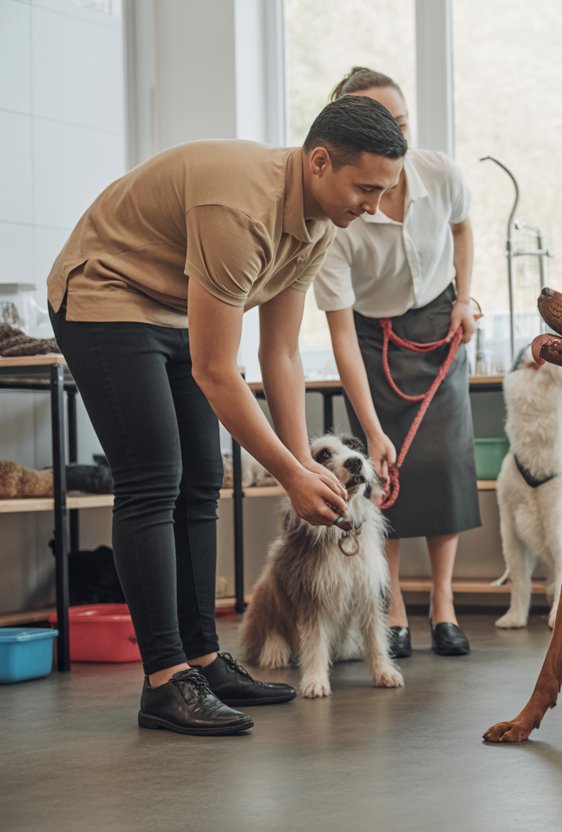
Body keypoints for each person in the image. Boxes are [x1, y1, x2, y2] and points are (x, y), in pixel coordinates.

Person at [46, 95, 407, 736]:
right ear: (320, 161)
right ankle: (165, 680)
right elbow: (219, 371)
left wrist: (303, 466)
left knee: (202, 478)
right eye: (366, 189)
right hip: (106, 291)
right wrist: (290, 477)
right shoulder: (241, 211)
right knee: (154, 477)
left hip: (172, 306)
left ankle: (205, 661)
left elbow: (282, 353)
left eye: (383, 193)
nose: (372, 207)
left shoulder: (319, 224)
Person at [315, 67, 479, 659]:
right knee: (382, 477)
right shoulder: (338, 217)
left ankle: (443, 603)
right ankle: (393, 606)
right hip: (371, 338)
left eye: (401, 124)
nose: (394, 139)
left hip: (438, 327)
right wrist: (374, 428)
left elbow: (463, 230)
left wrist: (463, 298)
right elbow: (339, 332)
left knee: (444, 465)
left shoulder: (440, 172)